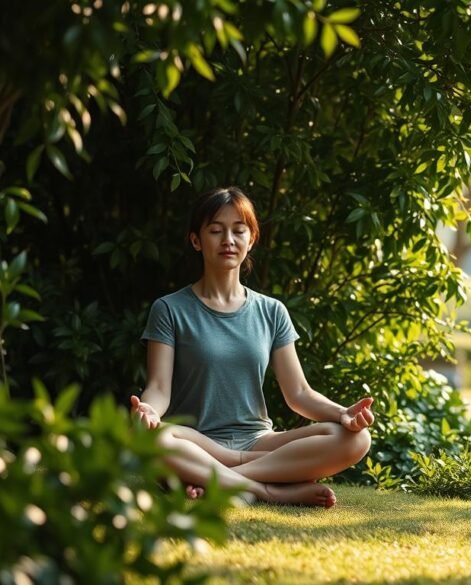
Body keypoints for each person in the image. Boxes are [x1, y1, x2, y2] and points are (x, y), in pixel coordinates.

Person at [130, 186, 374, 507]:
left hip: (259, 442)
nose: (228, 240)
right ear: (196, 240)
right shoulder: (170, 309)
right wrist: (148, 410)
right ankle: (270, 490)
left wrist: (343, 414)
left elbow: (299, 393)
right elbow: (159, 388)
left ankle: (217, 480)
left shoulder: (272, 311)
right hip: (195, 441)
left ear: (251, 239)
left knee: (355, 439)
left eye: (238, 230)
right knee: (155, 438)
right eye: (216, 231)